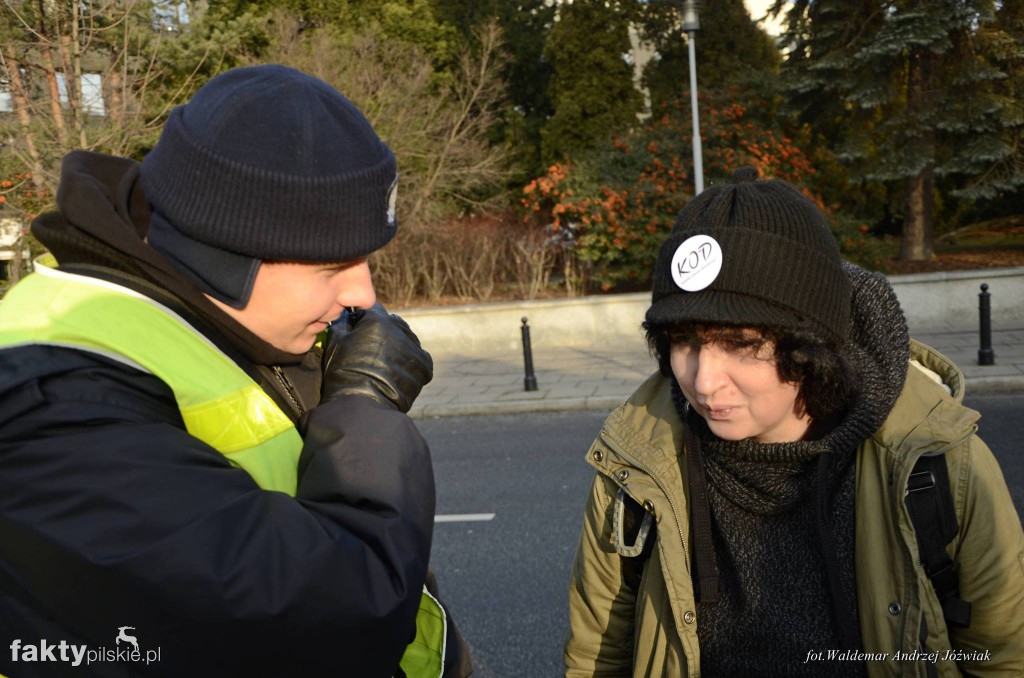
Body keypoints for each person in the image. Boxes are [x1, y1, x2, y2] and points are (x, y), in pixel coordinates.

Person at [0, 65, 470, 677]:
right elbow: (325, 619)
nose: (364, 294)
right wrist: (364, 411)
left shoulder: (217, 325)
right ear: (223, 256)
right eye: (333, 266)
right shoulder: (53, 401)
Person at [564, 167, 1024, 677]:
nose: (704, 380)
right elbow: (597, 658)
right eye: (684, 341)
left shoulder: (938, 463)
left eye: (741, 343)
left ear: (813, 344)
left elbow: (1002, 658)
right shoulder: (635, 469)